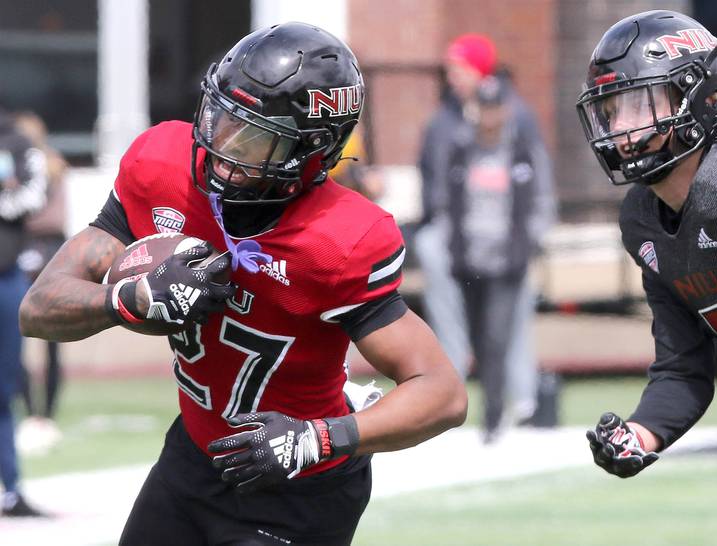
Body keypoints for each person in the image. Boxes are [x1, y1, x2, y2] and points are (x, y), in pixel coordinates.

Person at [19, 22, 467, 545]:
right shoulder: (162, 167)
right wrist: (126, 300)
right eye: (221, 118)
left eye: (255, 137)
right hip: (193, 459)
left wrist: (320, 438)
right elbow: (38, 309)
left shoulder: (338, 240)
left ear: (313, 151)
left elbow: (443, 392)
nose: (222, 145)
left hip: (299, 490)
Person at [576, 10, 717, 545]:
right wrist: (641, 433)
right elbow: (682, 367)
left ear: (699, 98)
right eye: (610, 110)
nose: (621, 128)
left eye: (636, 104)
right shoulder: (644, 218)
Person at [416, 33, 551, 428]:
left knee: (509, 318)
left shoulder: (516, 114)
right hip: (453, 233)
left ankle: (522, 401)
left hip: (507, 237)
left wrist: (533, 234)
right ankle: (450, 389)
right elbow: (436, 183)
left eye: (460, 68)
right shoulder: (444, 118)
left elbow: (536, 181)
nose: (453, 77)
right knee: (449, 309)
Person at [445, 75, 555, 442]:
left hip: (508, 261)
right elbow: (449, 201)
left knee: (497, 336)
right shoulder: (462, 150)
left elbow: (541, 201)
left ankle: (493, 416)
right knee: (477, 338)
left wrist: (531, 241)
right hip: (468, 260)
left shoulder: (522, 151)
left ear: (506, 109)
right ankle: (491, 409)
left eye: (496, 107)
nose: (489, 116)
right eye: (484, 107)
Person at [0, 107, 48, 517]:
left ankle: (11, 489)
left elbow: (33, 194)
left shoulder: (16, 141)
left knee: (5, 387)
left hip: (5, 278)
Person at [15, 111, 68, 454]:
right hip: (53, 249)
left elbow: (33, 213)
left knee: (19, 335)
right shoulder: (55, 163)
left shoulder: (34, 166)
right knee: (51, 340)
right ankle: (44, 416)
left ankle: (35, 414)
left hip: (32, 249)